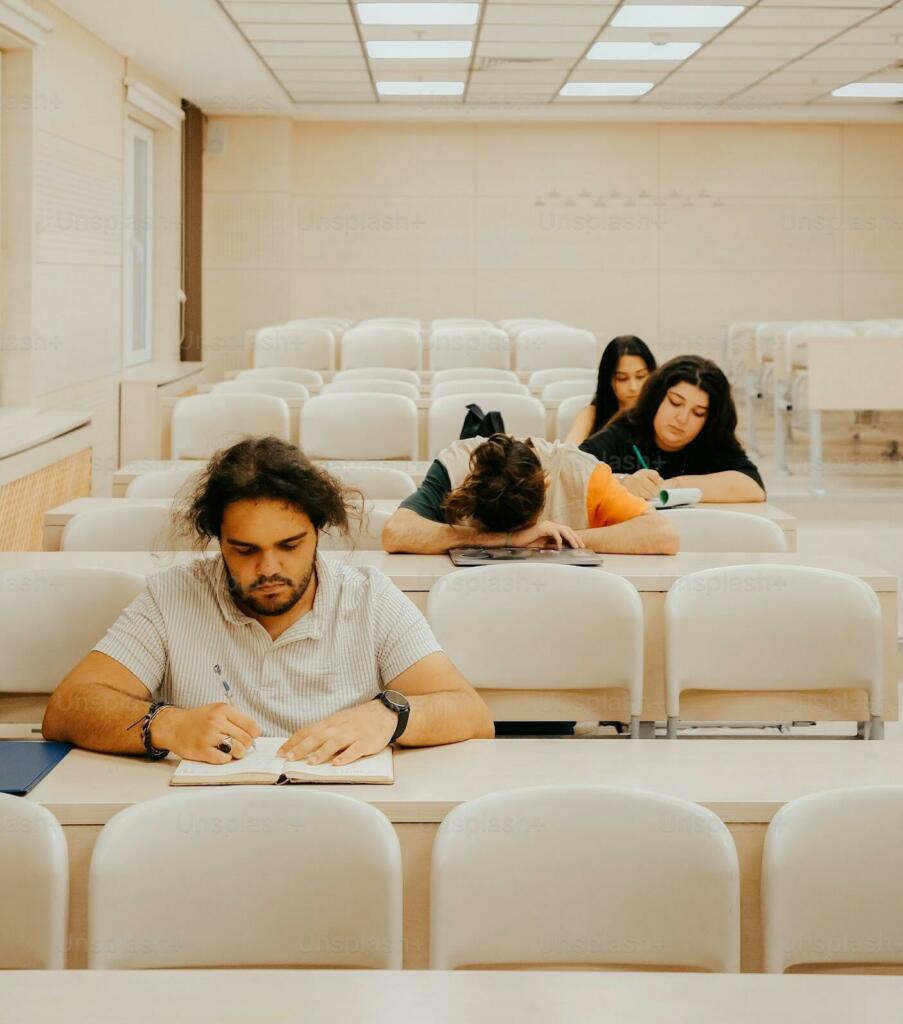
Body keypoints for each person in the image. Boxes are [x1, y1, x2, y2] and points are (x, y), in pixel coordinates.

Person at [43, 437, 494, 766]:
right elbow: (68, 708)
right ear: (218, 541)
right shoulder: (173, 595)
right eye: (245, 550)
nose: (268, 569)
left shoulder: (370, 597)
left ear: (318, 531)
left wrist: (389, 716)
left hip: (343, 819)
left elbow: (470, 713)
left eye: (290, 545)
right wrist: (168, 725)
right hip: (202, 823)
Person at [382, 433, 679, 555]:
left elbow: (665, 535)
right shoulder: (454, 466)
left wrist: (556, 538)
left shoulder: (583, 473)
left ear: (546, 484)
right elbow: (396, 533)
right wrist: (506, 540)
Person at [579, 355, 766, 503]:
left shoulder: (711, 439)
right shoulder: (627, 430)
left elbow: (753, 486)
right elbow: (570, 471)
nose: (682, 418)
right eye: (675, 403)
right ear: (657, 397)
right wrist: (621, 483)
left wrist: (676, 485)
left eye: (698, 413)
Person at [565, 335, 657, 446]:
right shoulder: (591, 414)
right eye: (622, 379)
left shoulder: (661, 411)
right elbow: (567, 454)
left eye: (641, 376)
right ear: (608, 380)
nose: (633, 387)